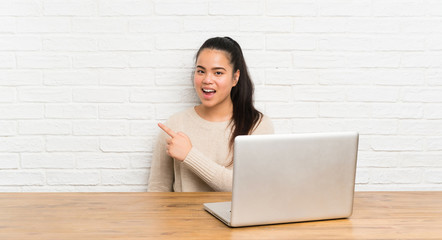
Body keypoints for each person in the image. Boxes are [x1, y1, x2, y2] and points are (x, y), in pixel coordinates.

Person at [147, 37, 274, 192]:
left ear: (235, 78)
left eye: (218, 73)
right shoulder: (175, 125)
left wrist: (189, 155)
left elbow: (251, 187)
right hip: (184, 216)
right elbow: (158, 188)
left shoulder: (257, 125)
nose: (207, 80)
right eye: (201, 71)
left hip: (234, 217)